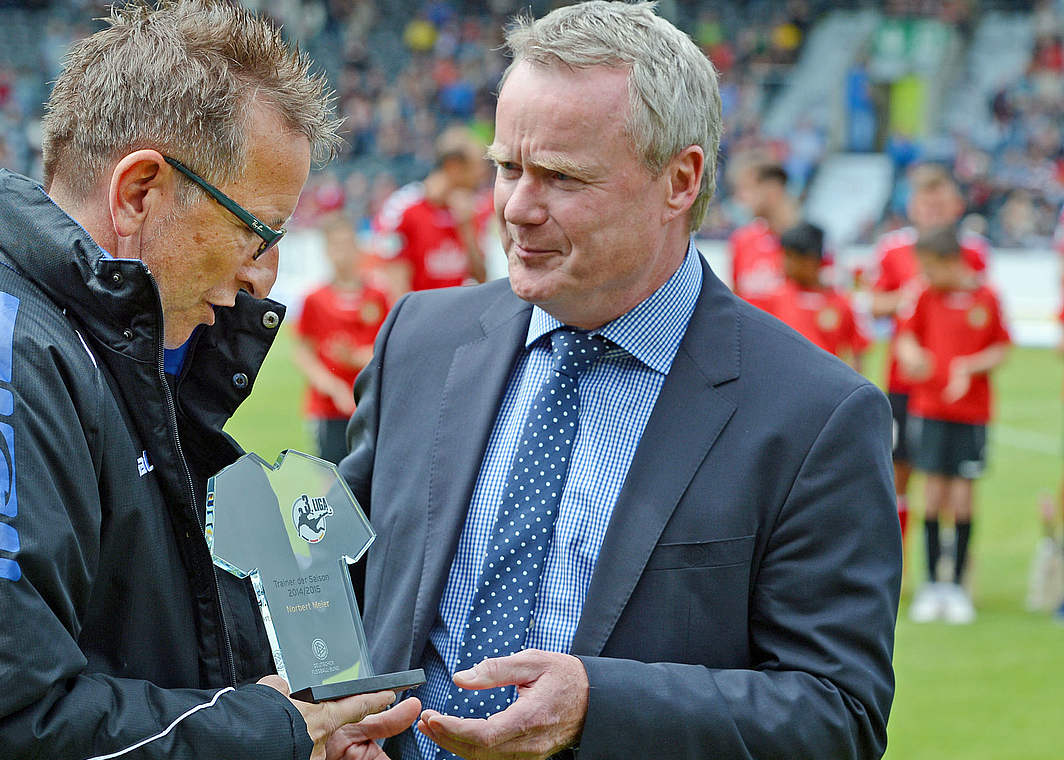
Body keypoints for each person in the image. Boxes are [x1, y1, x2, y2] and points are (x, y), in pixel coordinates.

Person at [0, 4, 407, 758]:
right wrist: (270, 731)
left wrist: (296, 723)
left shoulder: (103, 350)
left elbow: (134, 654)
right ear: (139, 193)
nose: (262, 275)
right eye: (257, 231)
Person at [338, 3, 901, 759]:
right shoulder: (420, 341)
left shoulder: (813, 416)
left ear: (680, 180)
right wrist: (332, 717)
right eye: (508, 167)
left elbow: (840, 716)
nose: (516, 207)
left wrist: (598, 708)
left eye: (562, 177)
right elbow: (343, 587)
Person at [869, 163, 991, 542]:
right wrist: (908, 299)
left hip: (955, 389)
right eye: (926, 204)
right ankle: (898, 564)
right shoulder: (893, 249)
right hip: (905, 380)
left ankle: (956, 575)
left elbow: (981, 309)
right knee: (899, 469)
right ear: (913, 206)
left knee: (957, 480)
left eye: (940, 204)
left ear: (954, 205)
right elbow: (874, 304)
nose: (933, 212)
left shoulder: (971, 250)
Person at [897, 226, 1011, 625]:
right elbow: (905, 338)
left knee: (962, 498)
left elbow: (1001, 347)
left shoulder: (987, 297)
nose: (925, 276)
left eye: (930, 268)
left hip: (971, 413)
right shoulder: (926, 296)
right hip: (929, 408)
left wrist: (969, 366)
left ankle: (958, 585)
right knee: (932, 495)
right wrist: (913, 356)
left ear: (950, 262)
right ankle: (932, 587)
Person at [294, 213, 390, 463]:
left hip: (370, 404)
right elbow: (304, 353)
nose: (342, 252)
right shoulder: (314, 300)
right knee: (333, 483)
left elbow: (388, 348)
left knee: (372, 478)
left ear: (358, 247)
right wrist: (332, 387)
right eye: (335, 245)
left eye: (347, 244)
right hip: (329, 410)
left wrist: (359, 358)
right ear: (326, 250)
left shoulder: (378, 296)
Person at [374, 125, 491, 299]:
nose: (482, 176)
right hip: (419, 321)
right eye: (476, 168)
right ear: (454, 167)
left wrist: (466, 228)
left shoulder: (470, 210)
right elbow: (396, 290)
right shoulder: (403, 209)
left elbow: (482, 280)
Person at [760, 221, 869, 371]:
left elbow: (857, 354)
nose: (783, 263)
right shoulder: (775, 298)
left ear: (810, 260)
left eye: (790, 257)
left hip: (828, 388)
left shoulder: (841, 303)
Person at [727, 161, 799, 306]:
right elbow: (736, 297)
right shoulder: (742, 240)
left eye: (748, 189)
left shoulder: (807, 241)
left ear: (772, 190)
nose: (741, 198)